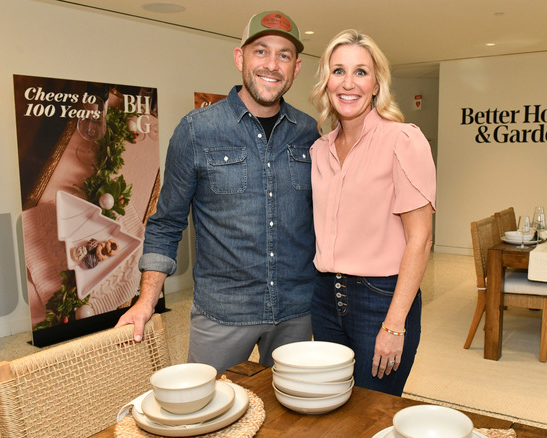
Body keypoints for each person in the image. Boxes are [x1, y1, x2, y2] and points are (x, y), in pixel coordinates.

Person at [115, 10, 320, 373]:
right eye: (261, 51)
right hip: (223, 312)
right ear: (240, 57)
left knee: (295, 418)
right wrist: (146, 301)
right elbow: (166, 224)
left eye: (284, 55)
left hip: (296, 313)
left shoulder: (310, 134)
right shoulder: (196, 131)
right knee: (209, 418)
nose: (272, 64)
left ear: (296, 68)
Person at [309, 29, 436, 396]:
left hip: (381, 300)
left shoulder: (402, 141)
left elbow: (420, 238)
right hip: (325, 298)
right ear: (326, 82)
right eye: (338, 71)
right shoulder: (320, 149)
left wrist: (395, 324)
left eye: (361, 72)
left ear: (377, 83)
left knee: (371, 415)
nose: (349, 83)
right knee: (331, 406)